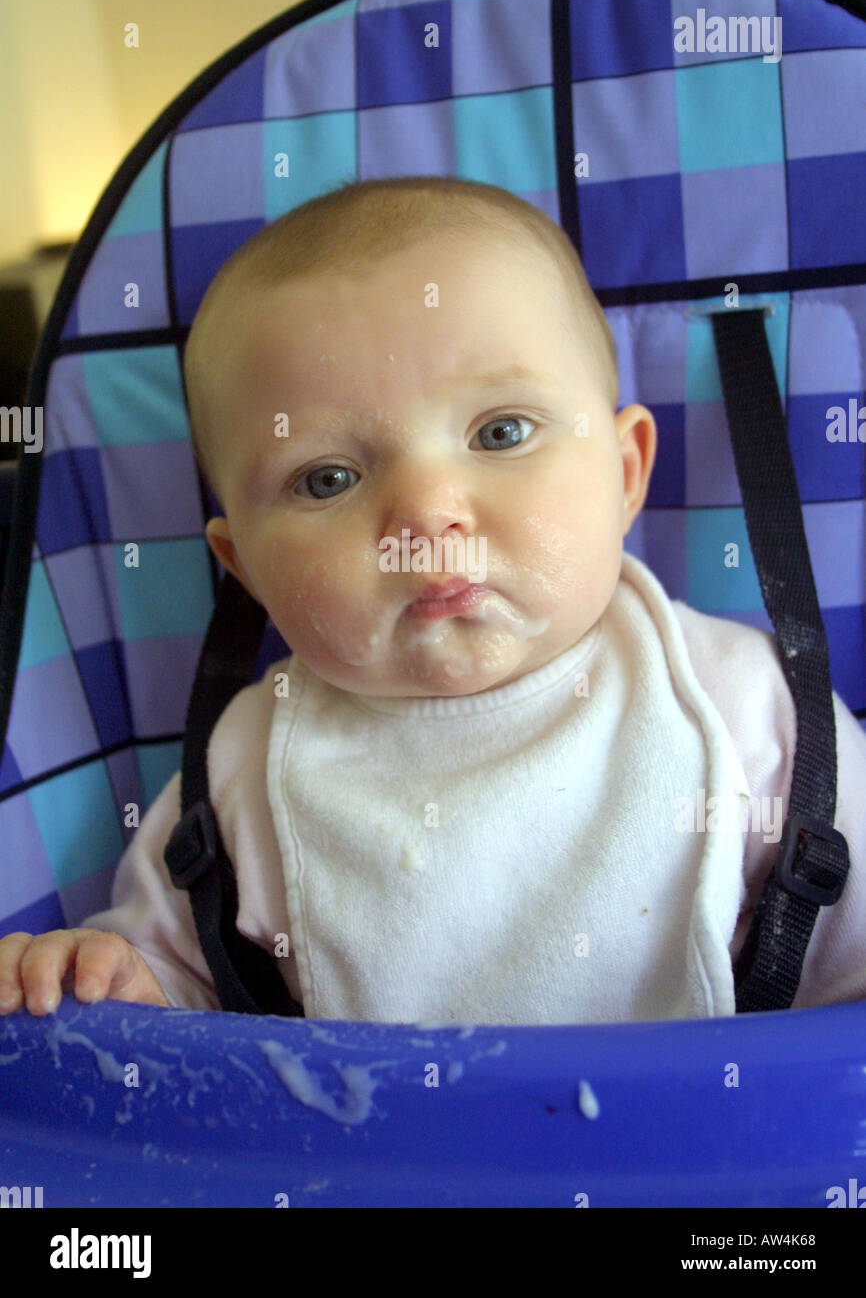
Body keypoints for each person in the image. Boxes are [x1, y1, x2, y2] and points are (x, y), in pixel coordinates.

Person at [1, 176, 864, 1023]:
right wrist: (114, 976)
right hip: (360, 1163)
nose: (425, 514)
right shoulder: (243, 775)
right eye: (328, 478)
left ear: (626, 471)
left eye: (501, 432)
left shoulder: (742, 708)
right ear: (246, 571)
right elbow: (175, 983)